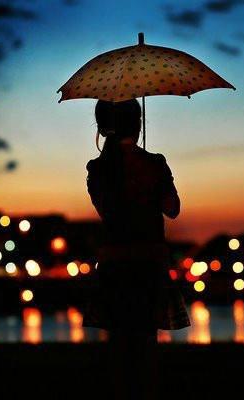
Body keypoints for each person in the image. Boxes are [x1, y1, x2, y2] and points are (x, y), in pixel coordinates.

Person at [82, 99, 190, 399]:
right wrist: (153, 177)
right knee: (146, 345)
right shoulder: (154, 164)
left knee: (119, 346)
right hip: (148, 263)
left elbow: (108, 213)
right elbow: (172, 209)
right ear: (138, 124)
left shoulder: (98, 168)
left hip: (114, 265)